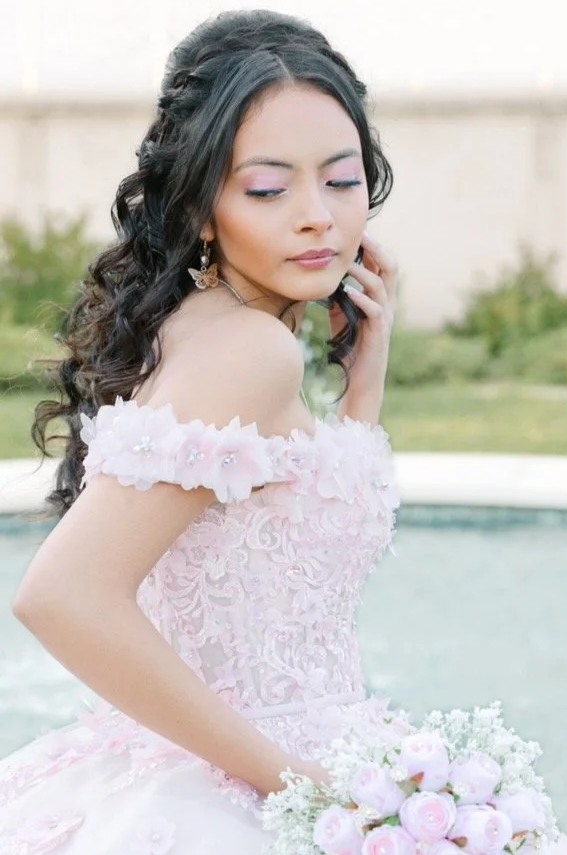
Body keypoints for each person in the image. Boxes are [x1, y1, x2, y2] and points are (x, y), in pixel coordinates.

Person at [0, 9, 408, 853]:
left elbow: (293, 559)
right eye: (267, 189)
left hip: (239, 756)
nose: (317, 216)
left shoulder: (206, 325)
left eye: (340, 180)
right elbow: (62, 595)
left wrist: (363, 378)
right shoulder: (249, 351)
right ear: (199, 206)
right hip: (242, 782)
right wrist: (300, 784)